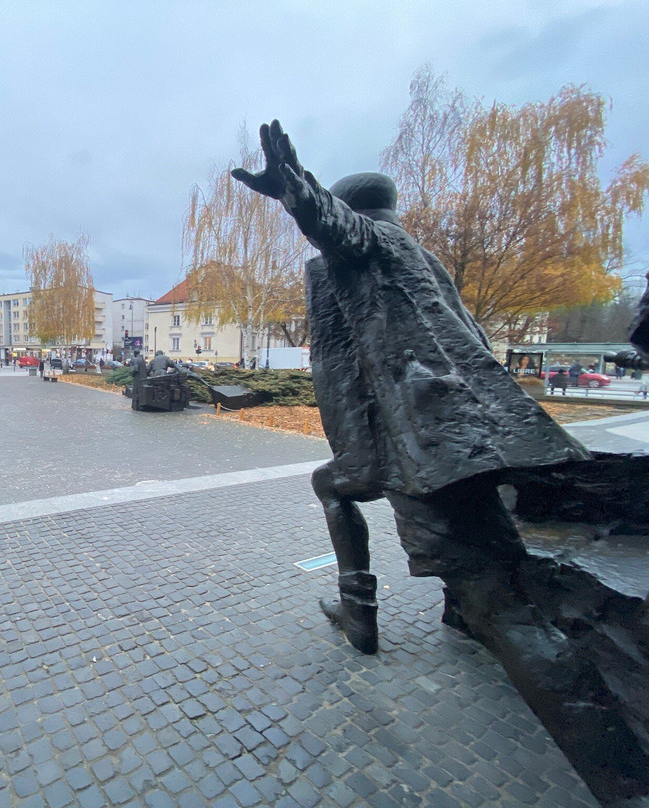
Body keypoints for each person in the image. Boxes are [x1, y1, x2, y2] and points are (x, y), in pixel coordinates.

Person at [232, 120, 589, 653]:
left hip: (415, 438)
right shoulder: (425, 260)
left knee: (492, 596)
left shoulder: (369, 243)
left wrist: (298, 191)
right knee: (472, 549)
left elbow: (333, 230)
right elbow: (474, 336)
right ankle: (455, 610)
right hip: (461, 431)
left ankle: (362, 615)